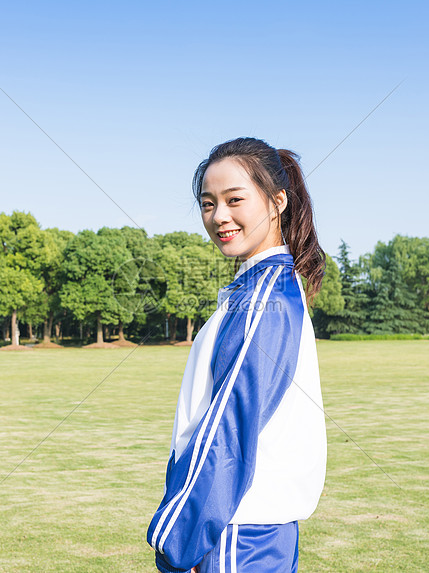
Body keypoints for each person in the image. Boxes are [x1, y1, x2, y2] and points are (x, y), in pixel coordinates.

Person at [147, 137, 328, 572]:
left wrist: (178, 542)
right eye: (208, 204)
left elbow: (228, 428)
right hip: (243, 530)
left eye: (234, 200)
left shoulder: (266, 297)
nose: (219, 216)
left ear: (276, 201)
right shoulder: (254, 290)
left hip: (237, 534)